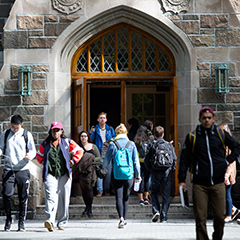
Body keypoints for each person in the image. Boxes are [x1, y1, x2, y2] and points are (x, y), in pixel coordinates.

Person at [178, 106, 240, 240]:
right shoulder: (192, 137)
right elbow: (184, 159)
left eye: (209, 118)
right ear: (199, 119)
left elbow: (236, 147)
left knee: (219, 216)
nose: (207, 120)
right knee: (200, 218)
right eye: (204, 118)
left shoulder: (220, 134)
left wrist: (227, 161)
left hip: (218, 182)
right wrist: (182, 180)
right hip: (200, 183)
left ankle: (217, 237)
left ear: (213, 119)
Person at [36, 121, 84, 232]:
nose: (55, 133)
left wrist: (73, 160)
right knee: (51, 197)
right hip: (50, 174)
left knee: (64, 199)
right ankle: (50, 221)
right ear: (51, 131)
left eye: (58, 130)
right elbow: (39, 155)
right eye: (54, 130)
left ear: (61, 131)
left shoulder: (67, 142)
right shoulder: (45, 143)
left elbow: (79, 151)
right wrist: (44, 162)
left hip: (65, 174)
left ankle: (62, 222)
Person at [0, 115, 36, 232]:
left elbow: (32, 150)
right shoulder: (5, 134)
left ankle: (21, 222)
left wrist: (29, 156)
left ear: (21, 124)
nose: (15, 129)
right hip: (9, 168)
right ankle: (9, 219)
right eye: (13, 127)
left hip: (23, 169)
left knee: (23, 197)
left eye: (17, 127)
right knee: (6, 194)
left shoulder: (26, 134)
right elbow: (1, 147)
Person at [101, 123, 141, 228]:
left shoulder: (113, 144)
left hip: (116, 174)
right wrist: (138, 174)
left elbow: (107, 160)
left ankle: (121, 219)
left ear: (117, 133)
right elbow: (136, 161)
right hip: (129, 175)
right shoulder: (131, 144)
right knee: (126, 197)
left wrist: (103, 170)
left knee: (118, 197)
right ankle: (125, 218)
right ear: (125, 132)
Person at [144, 126, 177, 223]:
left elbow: (147, 160)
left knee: (154, 192)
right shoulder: (168, 145)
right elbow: (174, 159)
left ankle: (156, 210)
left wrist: (150, 169)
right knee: (166, 195)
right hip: (166, 172)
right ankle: (164, 216)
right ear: (163, 134)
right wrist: (171, 169)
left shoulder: (152, 144)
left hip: (155, 171)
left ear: (154, 135)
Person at [89, 112, 116, 197]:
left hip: (108, 154)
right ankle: (99, 191)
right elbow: (90, 139)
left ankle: (107, 189)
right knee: (99, 172)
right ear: (98, 119)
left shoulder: (110, 129)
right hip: (99, 153)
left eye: (104, 118)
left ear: (106, 120)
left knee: (108, 173)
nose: (102, 119)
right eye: (100, 118)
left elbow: (115, 140)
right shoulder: (95, 129)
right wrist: (91, 132)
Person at [218, 124, 239, 223]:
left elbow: (231, 162)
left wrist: (226, 175)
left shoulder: (230, 146)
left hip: (228, 173)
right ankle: (233, 209)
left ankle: (229, 215)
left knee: (227, 193)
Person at [76, 131, 101, 217]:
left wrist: (90, 161)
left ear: (88, 137)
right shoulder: (78, 147)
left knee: (90, 189)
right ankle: (87, 207)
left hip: (91, 172)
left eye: (85, 136)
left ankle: (89, 209)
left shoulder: (93, 147)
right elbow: (75, 158)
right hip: (81, 172)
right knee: (84, 191)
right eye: (82, 136)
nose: (83, 138)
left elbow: (99, 157)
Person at [134, 125, 151, 205]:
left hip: (138, 163)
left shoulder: (136, 142)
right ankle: (146, 198)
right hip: (147, 163)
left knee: (139, 179)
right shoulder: (148, 142)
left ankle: (141, 199)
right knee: (147, 180)